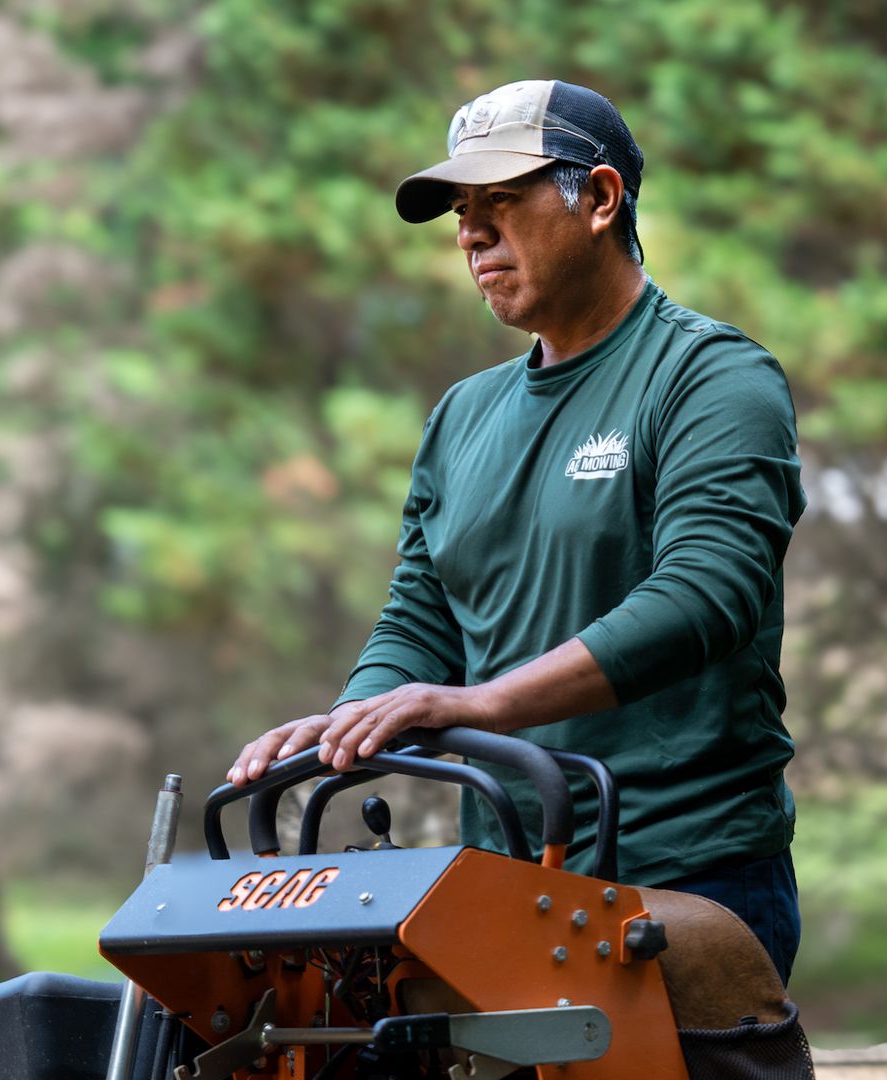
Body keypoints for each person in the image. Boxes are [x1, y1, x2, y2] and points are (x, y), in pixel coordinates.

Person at [226, 79, 807, 983]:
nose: (470, 234)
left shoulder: (710, 379)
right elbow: (423, 619)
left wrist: (482, 703)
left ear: (601, 201)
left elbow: (706, 596)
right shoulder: (462, 416)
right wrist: (347, 726)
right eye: (461, 211)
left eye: (500, 201)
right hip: (504, 884)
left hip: (687, 880)